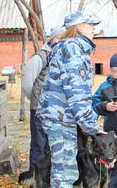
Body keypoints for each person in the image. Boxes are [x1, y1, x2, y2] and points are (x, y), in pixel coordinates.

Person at [36, 11, 105, 188]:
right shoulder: (73, 49)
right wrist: (92, 127)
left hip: (61, 117)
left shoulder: (70, 48)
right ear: (79, 26)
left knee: (63, 170)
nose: (93, 28)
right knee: (65, 173)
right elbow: (77, 94)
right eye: (90, 24)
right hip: (61, 118)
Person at [22, 27, 65, 173]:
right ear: (51, 39)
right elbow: (27, 85)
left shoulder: (60, 56)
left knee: (50, 146)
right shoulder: (40, 57)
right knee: (38, 145)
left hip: (54, 110)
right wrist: (36, 101)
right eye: (58, 38)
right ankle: (34, 177)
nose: (60, 41)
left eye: (63, 38)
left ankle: (46, 177)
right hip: (40, 110)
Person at [92, 52, 117, 188]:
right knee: (112, 170)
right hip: (111, 134)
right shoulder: (104, 87)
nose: (114, 74)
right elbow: (94, 105)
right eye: (112, 70)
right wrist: (105, 106)